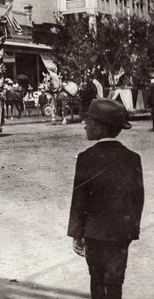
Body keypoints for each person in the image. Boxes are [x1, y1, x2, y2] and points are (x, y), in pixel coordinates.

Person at [68, 98, 144, 299]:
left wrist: (77, 233)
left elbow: (79, 200)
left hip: (93, 232)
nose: (84, 125)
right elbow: (138, 199)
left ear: (99, 127)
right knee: (115, 282)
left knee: (97, 280)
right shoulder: (133, 158)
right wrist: (131, 229)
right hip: (121, 233)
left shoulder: (86, 157)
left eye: (88, 121)